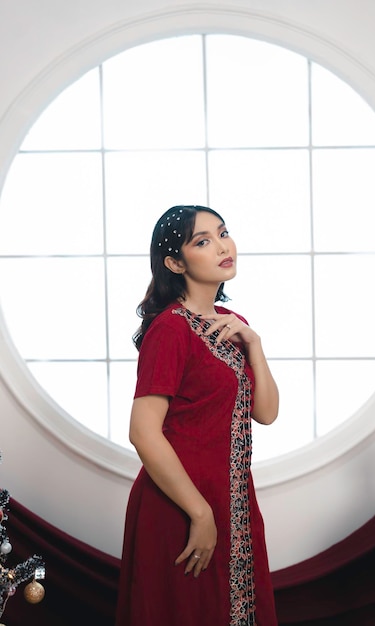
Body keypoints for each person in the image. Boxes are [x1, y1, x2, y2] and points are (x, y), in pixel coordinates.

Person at [116, 205, 279, 626]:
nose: (223, 246)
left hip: (234, 498)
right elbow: (143, 432)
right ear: (175, 262)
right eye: (202, 241)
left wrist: (255, 345)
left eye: (223, 233)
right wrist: (200, 513)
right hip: (181, 503)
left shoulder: (234, 324)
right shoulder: (171, 329)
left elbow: (266, 412)